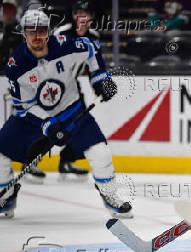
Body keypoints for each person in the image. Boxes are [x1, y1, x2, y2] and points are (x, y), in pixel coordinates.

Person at [0, 9, 132, 218]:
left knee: (101, 153)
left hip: (71, 110)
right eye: (31, 31)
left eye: (41, 30)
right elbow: (24, 108)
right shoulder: (16, 66)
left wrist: (99, 79)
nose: (36, 36)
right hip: (33, 119)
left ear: (49, 31)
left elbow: (91, 47)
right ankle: (5, 197)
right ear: (23, 33)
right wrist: (48, 125)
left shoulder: (65, 45)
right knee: (1, 154)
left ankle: (110, 195)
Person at [49, 0, 101, 181]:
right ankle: (28, 161)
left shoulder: (94, 36)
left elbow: (94, 65)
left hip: (74, 86)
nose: (82, 17)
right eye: (79, 13)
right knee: (50, 126)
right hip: (54, 85)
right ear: (73, 15)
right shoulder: (61, 33)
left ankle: (66, 161)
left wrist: (99, 84)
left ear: (92, 16)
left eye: (86, 13)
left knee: (81, 125)